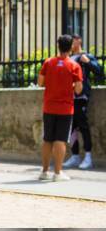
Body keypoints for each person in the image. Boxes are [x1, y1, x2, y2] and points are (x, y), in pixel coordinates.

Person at [37, 35, 83, 182]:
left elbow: (40, 83)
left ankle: (44, 172)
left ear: (58, 46)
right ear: (70, 47)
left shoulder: (48, 62)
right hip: (65, 108)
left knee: (47, 139)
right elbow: (78, 90)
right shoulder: (74, 66)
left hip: (49, 106)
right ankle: (57, 173)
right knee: (60, 140)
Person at [63, 34, 103, 170]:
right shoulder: (67, 58)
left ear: (79, 41)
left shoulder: (85, 56)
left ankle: (88, 157)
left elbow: (100, 71)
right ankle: (75, 156)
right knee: (72, 127)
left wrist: (88, 62)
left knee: (83, 125)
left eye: (73, 41)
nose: (71, 43)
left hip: (80, 97)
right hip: (68, 97)